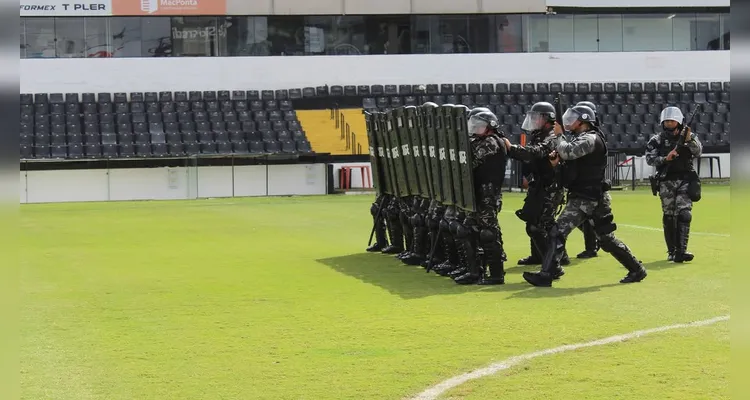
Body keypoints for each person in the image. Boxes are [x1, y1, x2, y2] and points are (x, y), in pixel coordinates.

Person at [523, 105, 647, 287]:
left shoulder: (590, 138)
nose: (568, 121)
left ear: (583, 120)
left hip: (588, 197)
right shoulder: (579, 138)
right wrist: (556, 164)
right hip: (586, 195)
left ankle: (547, 274)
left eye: (573, 118)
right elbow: (571, 166)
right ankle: (636, 269)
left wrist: (558, 135)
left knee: (559, 232)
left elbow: (567, 152)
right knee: (605, 239)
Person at [502, 101, 569, 270]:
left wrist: (512, 149)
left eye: (537, 117)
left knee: (542, 225)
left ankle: (555, 260)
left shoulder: (552, 136)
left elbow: (536, 152)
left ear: (548, 119)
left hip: (551, 186)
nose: (534, 120)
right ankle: (539, 256)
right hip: (540, 184)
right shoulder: (538, 134)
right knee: (533, 221)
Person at [453, 110, 508, 285]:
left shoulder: (491, 142)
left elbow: (470, 161)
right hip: (476, 193)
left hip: (487, 195)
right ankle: (474, 271)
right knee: (468, 230)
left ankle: (496, 274)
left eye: (479, 123)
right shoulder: (478, 141)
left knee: (488, 233)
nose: (475, 127)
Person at [645, 106, 702, 262]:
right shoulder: (656, 140)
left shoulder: (689, 136)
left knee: (684, 213)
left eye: (672, 121)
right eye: (667, 121)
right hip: (666, 181)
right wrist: (665, 159)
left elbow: (698, 152)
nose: (669, 124)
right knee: (669, 216)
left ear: (679, 122)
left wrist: (689, 140)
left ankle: (681, 251)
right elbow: (650, 159)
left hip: (685, 179)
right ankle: (671, 251)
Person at [573, 101, 601, 259]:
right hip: (580, 181)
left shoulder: (593, 135)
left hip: (591, 184)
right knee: (583, 219)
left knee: (589, 218)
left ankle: (592, 246)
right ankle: (596, 241)